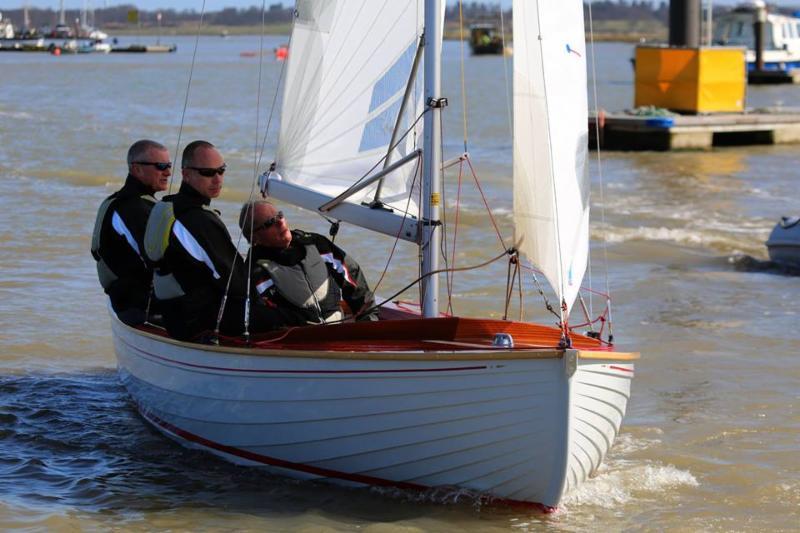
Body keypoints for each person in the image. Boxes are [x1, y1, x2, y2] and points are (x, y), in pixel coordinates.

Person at [144, 141, 301, 341]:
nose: (217, 179)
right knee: (295, 315)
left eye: (221, 171)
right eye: (208, 173)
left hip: (175, 313)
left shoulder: (168, 207)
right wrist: (264, 303)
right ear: (186, 174)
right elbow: (234, 281)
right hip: (199, 322)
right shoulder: (196, 220)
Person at [239, 200, 378, 324]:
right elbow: (262, 314)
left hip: (338, 333)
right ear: (254, 237)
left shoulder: (316, 244)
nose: (280, 222)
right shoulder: (255, 271)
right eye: (270, 222)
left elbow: (354, 280)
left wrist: (368, 321)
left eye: (280, 216)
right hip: (300, 341)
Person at [91, 139, 171, 325]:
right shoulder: (133, 208)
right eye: (160, 166)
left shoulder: (120, 200)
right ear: (137, 169)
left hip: (131, 299)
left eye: (168, 165)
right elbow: (159, 262)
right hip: (137, 307)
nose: (167, 172)